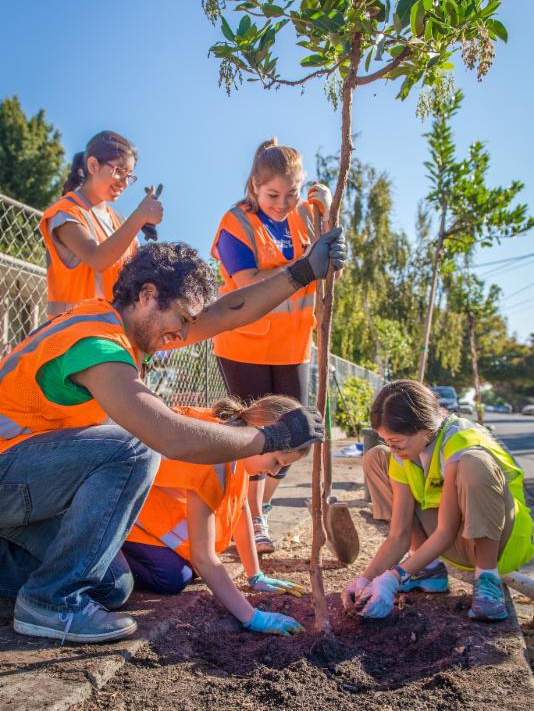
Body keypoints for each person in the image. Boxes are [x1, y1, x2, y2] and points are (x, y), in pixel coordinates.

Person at [0, 230, 345, 644]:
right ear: (148, 295)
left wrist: (303, 272)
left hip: (27, 484)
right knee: (135, 448)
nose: (183, 335)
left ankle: (39, 579)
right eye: (182, 319)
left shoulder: (125, 330)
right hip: (11, 477)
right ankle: (50, 603)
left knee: (113, 586)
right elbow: (169, 436)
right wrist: (268, 439)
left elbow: (229, 313)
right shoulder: (96, 345)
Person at [211, 138, 331, 555]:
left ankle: (259, 509)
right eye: (272, 195)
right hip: (243, 344)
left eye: (291, 194)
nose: (282, 203)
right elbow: (247, 286)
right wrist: (303, 267)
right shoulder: (236, 224)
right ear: (254, 187)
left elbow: (327, 244)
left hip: (294, 344)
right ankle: (253, 519)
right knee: (254, 436)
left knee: (295, 436)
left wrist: (328, 208)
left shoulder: (304, 216)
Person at [341, 380, 534, 622]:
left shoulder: (461, 441)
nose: (393, 448)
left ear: (423, 429)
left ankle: (488, 579)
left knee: (474, 462)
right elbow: (398, 534)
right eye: (388, 440)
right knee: (377, 457)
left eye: (397, 442)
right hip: (454, 540)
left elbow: (446, 530)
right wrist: (366, 578)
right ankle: (428, 570)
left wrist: (395, 576)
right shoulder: (403, 453)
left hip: (499, 541)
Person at [124, 396, 309, 637]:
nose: (274, 472)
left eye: (282, 468)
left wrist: (255, 574)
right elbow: (204, 558)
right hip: (123, 516)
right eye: (276, 461)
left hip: (146, 514)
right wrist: (251, 617)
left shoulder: (235, 446)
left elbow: (241, 508)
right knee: (172, 577)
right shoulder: (213, 458)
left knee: (185, 572)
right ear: (260, 433)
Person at [40, 130, 163, 317]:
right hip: (72, 333)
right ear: (93, 165)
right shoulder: (64, 213)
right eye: (119, 171)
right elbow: (98, 259)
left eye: (129, 175)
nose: (124, 182)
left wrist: (141, 223)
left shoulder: (119, 222)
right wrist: (139, 217)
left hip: (110, 331)